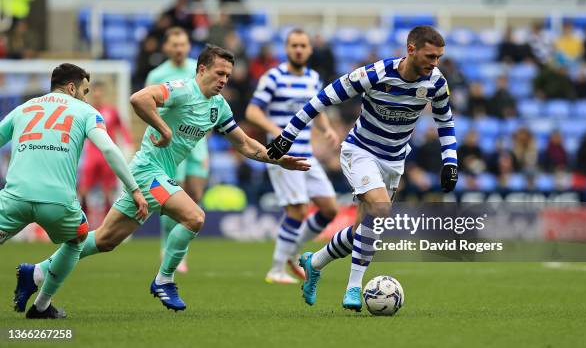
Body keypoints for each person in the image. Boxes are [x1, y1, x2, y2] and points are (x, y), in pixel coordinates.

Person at [16, 46, 309, 313]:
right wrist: (163, 129)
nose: (224, 80)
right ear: (202, 69)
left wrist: (278, 159)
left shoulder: (218, 106)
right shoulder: (182, 90)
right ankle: (164, 280)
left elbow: (244, 144)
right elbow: (139, 98)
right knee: (194, 217)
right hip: (148, 171)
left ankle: (36, 273)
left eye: (228, 75)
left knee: (105, 240)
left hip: (156, 174)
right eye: (219, 73)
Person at [267, 26, 458, 311]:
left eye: (439, 57)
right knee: (380, 208)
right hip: (360, 151)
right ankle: (354, 289)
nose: (434, 63)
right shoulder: (375, 74)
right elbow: (323, 98)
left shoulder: (436, 82)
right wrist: (287, 135)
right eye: (430, 56)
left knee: (363, 232)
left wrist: (451, 160)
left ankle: (314, 261)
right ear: (411, 49)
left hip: (394, 161)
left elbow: (445, 120)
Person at [3, 63, 147, 319]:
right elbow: (110, 149)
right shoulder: (85, 111)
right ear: (72, 88)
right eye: (85, 89)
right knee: (77, 238)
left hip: (14, 198)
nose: (86, 95)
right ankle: (42, 306)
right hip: (58, 203)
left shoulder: (23, 109)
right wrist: (133, 188)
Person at [246, 28, 340, 284]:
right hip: (281, 156)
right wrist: (278, 131)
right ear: (286, 49)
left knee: (330, 209)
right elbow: (253, 112)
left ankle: (291, 251)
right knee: (297, 210)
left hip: (307, 155)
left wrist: (327, 129)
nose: (298, 49)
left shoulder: (313, 78)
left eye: (303, 45)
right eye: (294, 45)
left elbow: (316, 109)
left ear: (309, 50)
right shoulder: (273, 77)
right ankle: (276, 270)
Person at [146, 27, 205, 273]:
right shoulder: (158, 74)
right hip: (171, 144)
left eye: (183, 44)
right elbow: (148, 107)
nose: (179, 48)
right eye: (175, 44)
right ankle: (170, 250)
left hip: (197, 143)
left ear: (189, 46)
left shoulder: (198, 69)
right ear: (167, 47)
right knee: (173, 197)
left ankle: (179, 249)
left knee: (196, 195)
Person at [78, 81, 133, 221]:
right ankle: (82, 221)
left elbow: (123, 129)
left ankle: (109, 223)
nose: (97, 94)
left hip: (107, 156)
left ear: (103, 93)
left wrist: (128, 144)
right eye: (94, 91)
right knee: (83, 190)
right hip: (91, 155)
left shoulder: (112, 111)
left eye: (99, 91)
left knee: (108, 191)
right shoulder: (87, 111)